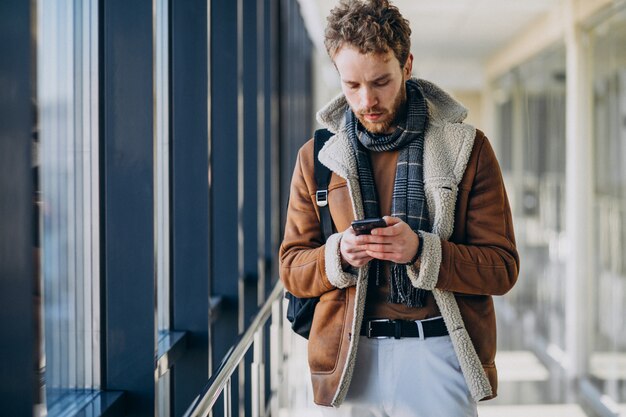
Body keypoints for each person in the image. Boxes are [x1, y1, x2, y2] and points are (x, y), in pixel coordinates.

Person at [279, 0, 519, 415]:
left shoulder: (468, 149)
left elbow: (502, 268)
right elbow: (292, 268)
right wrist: (338, 254)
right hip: (347, 362)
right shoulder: (317, 158)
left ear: (407, 66)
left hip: (438, 354)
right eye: (351, 85)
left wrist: (422, 251)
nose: (366, 100)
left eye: (380, 82)